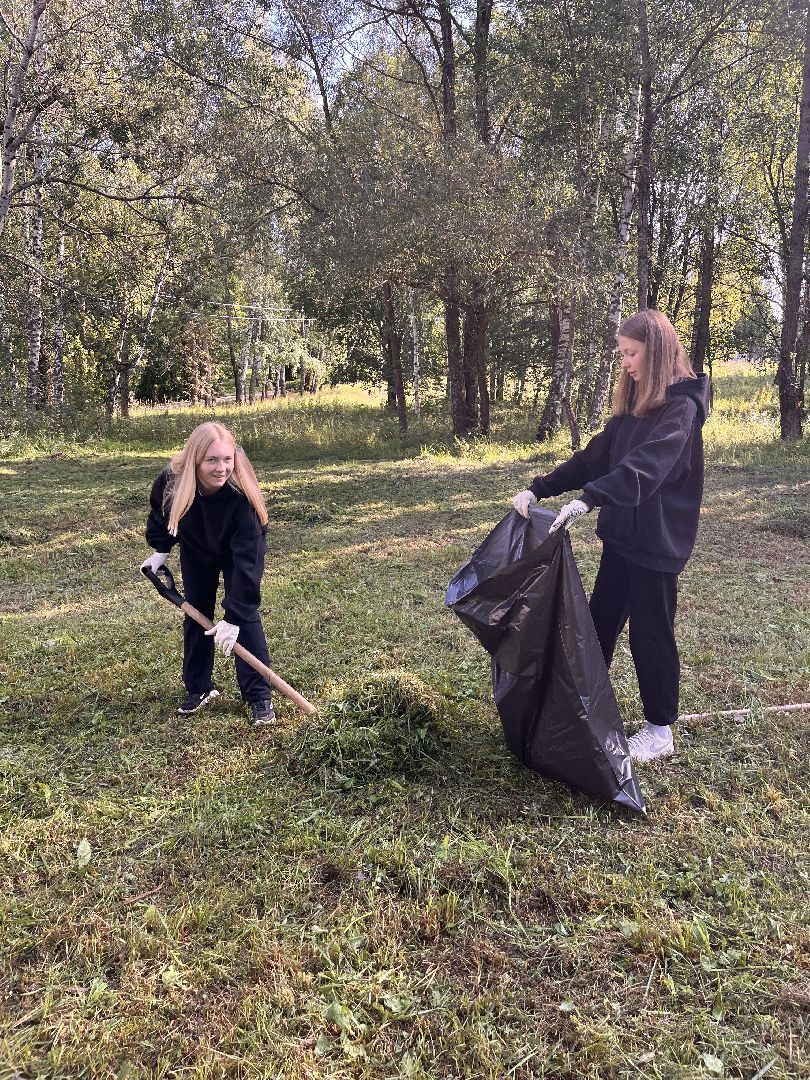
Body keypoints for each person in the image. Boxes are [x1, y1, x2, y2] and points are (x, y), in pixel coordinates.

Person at [512, 309, 710, 762]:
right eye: (621, 353)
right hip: (623, 536)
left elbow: (647, 468)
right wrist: (540, 487)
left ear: (656, 351)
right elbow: (596, 456)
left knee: (651, 632)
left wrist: (591, 498)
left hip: (657, 543)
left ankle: (660, 729)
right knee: (597, 623)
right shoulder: (637, 405)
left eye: (631, 353)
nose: (625, 362)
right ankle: (577, 707)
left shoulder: (681, 409)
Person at [141, 421, 276, 726]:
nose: (221, 468)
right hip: (196, 547)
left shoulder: (242, 497)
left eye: (227, 459)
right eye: (212, 460)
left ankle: (259, 697)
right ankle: (199, 688)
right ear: (195, 460)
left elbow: (247, 565)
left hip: (235, 551)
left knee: (245, 619)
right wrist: (161, 550)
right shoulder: (172, 481)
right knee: (196, 611)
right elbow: (161, 513)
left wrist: (233, 617)